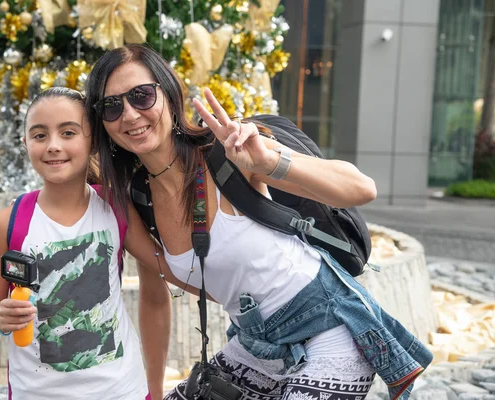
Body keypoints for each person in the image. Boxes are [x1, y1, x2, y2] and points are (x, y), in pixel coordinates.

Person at [84, 44, 433, 400]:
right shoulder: (137, 200)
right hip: (257, 345)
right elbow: (156, 299)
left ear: (170, 95)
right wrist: (153, 393)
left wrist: (268, 164)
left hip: (331, 325)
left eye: (141, 96)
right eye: (111, 106)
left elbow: (361, 188)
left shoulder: (229, 149)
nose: (129, 115)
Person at [0, 87, 172, 400]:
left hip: (122, 391)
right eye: (39, 135)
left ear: (92, 140)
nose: (53, 146)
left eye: (68, 132)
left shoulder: (115, 207)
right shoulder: (7, 224)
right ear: (25, 143)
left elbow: (167, 268)